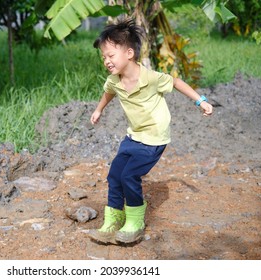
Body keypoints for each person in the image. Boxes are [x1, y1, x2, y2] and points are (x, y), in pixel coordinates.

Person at [88, 18, 213, 245]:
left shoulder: (151, 78)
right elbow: (108, 92)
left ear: (129, 53)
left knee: (129, 175)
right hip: (133, 136)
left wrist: (200, 101)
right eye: (104, 57)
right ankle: (113, 219)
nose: (106, 60)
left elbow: (176, 82)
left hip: (154, 138)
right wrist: (98, 110)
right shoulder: (113, 81)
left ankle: (135, 221)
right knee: (115, 174)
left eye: (111, 55)